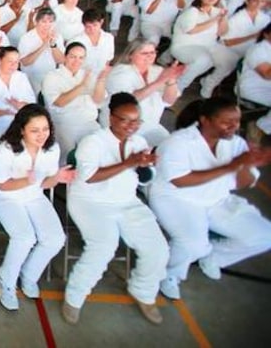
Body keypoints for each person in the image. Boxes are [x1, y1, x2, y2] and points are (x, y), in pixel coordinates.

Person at [62, 93, 169, 325]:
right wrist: (129, 163)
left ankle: (143, 290)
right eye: (125, 120)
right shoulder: (93, 142)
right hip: (91, 203)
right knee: (103, 246)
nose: (131, 126)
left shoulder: (138, 142)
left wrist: (145, 167)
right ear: (111, 118)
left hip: (127, 201)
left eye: (136, 121)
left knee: (158, 248)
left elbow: (144, 179)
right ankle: (74, 296)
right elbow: (89, 177)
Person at [150, 97, 271, 301]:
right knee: (193, 244)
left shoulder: (236, 143)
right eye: (226, 122)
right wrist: (230, 166)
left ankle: (214, 257)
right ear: (205, 120)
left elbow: (244, 183)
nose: (234, 127)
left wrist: (245, 165)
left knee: (265, 235)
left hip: (216, 199)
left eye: (237, 121)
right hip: (177, 200)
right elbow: (180, 181)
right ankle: (170, 274)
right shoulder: (178, 143)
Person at [0, 104, 72, 311]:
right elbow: (3, 184)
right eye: (34, 130)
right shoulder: (5, 149)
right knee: (25, 237)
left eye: (45, 129)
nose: (41, 135)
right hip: (7, 197)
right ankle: (6, 281)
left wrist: (57, 178)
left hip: (34, 195)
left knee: (55, 238)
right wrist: (29, 181)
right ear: (22, 130)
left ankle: (28, 275)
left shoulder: (52, 148)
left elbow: (46, 184)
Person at [105, 39, 183, 148]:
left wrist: (171, 80)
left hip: (151, 125)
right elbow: (127, 101)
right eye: (144, 53)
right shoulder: (120, 72)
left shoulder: (158, 70)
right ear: (130, 55)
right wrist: (160, 81)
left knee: (170, 147)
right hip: (123, 126)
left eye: (153, 52)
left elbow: (169, 101)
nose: (150, 56)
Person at [41, 42, 108, 161]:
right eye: (73, 57)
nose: (77, 61)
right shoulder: (52, 77)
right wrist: (82, 86)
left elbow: (98, 100)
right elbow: (59, 102)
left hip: (90, 123)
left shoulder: (87, 74)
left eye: (81, 58)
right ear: (65, 57)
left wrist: (101, 81)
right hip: (66, 125)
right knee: (69, 159)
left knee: (101, 153)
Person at [171, 0, 235, 97]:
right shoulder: (192, 11)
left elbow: (222, 33)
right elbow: (191, 30)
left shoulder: (217, 11)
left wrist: (223, 17)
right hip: (185, 46)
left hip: (209, 46)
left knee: (230, 59)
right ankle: (179, 85)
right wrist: (215, 19)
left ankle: (209, 82)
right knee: (205, 60)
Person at [18, 8, 65, 93]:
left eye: (50, 22)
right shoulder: (26, 38)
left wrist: (53, 45)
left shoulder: (57, 36)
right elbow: (25, 62)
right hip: (30, 79)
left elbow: (61, 60)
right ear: (36, 22)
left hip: (50, 78)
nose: (47, 25)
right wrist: (44, 45)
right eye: (43, 22)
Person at [238, 24, 271, 138]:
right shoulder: (258, 49)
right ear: (266, 34)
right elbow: (267, 74)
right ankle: (259, 127)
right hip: (254, 88)